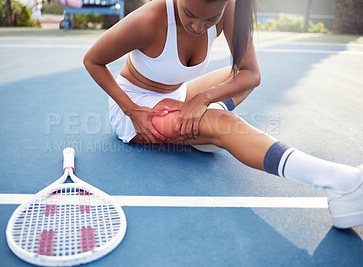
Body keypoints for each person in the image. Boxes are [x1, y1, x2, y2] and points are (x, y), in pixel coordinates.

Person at [83, 0, 363, 228]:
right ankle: (341, 181)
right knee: (226, 124)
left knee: (236, 75)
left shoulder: (229, 9)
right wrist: (131, 110)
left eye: (209, 20)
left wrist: (203, 99)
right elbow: (93, 60)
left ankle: (202, 127)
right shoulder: (150, 18)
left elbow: (251, 74)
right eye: (190, 15)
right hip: (138, 107)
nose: (197, 26)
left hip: (178, 96)